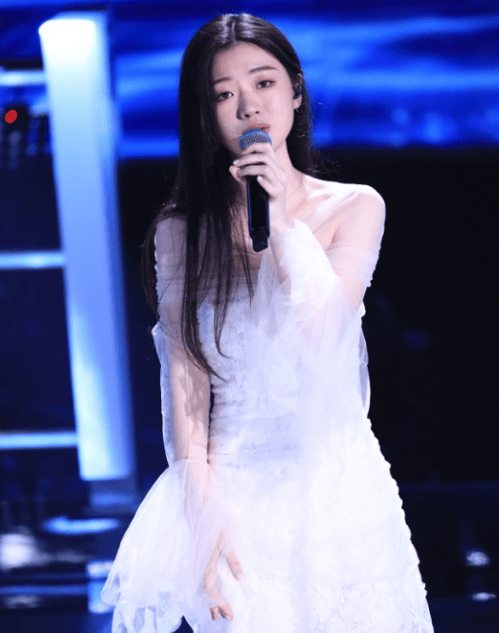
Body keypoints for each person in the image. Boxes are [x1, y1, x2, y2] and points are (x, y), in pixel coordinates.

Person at [101, 12, 435, 633]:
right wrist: (200, 511)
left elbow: (325, 338)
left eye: (263, 83)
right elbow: (184, 377)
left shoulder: (355, 206)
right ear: (205, 115)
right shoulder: (181, 231)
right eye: (223, 94)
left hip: (336, 492)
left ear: (295, 93)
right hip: (234, 493)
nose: (248, 106)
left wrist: (282, 224)